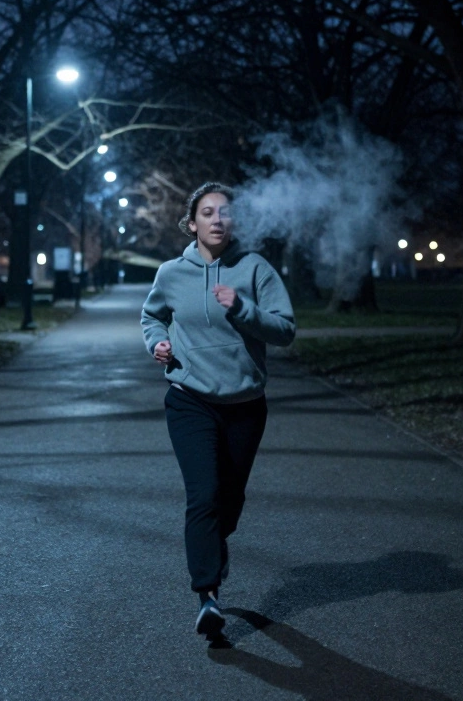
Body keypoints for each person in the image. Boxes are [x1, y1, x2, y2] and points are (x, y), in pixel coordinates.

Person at [140, 182, 296, 639]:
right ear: (192, 223)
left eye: (225, 212)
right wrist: (157, 342)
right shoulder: (171, 273)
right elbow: (152, 316)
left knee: (229, 502)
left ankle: (216, 547)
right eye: (207, 212)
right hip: (189, 400)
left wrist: (244, 309)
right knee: (203, 495)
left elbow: (285, 330)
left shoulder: (254, 269)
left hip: (245, 406)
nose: (217, 219)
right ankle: (207, 595)